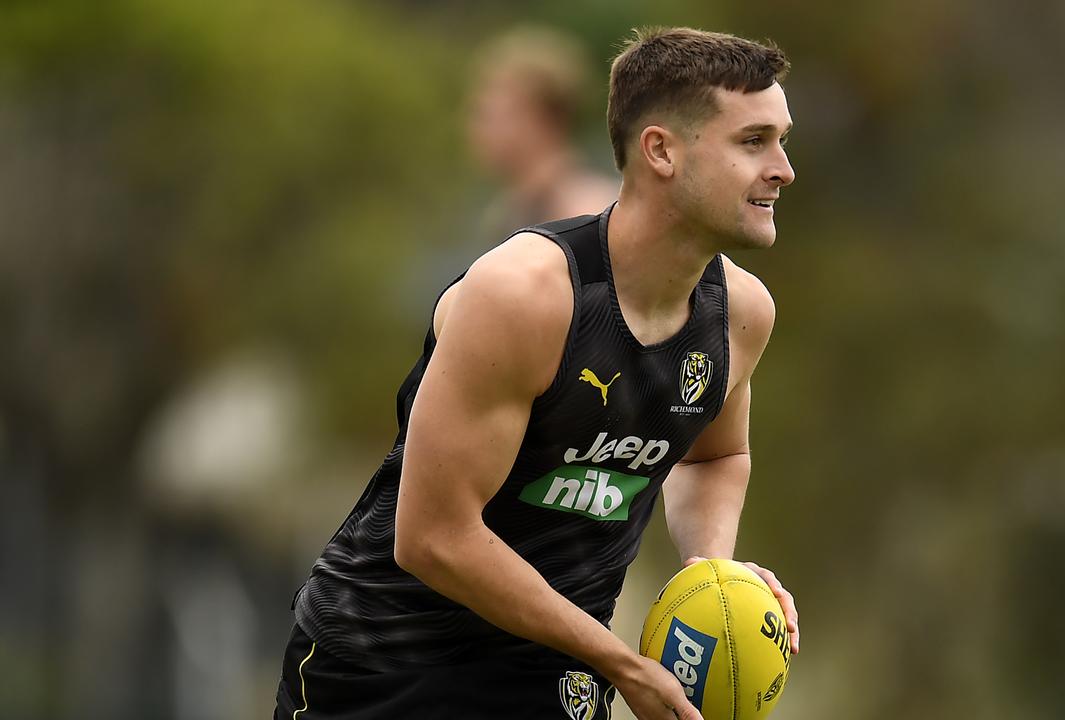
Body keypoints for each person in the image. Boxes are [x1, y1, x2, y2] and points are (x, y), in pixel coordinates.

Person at [274, 26, 799, 720]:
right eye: (754, 141)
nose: (785, 168)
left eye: (781, 139)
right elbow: (432, 536)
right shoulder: (523, 293)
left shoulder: (741, 315)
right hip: (386, 667)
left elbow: (715, 455)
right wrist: (621, 663)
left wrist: (709, 574)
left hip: (556, 678)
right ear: (661, 151)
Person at [465, 25, 619, 241]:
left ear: (539, 117)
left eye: (490, 113)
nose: (475, 127)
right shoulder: (510, 211)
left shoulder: (590, 212)